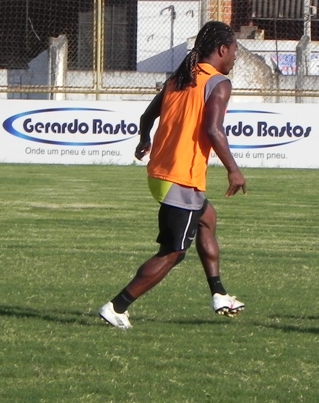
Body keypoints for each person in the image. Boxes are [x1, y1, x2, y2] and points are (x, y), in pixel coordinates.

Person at [99, 21, 247, 329]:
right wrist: (234, 170)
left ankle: (219, 293)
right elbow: (213, 129)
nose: (235, 57)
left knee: (208, 218)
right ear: (222, 50)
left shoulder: (180, 78)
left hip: (160, 174)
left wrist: (144, 139)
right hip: (181, 177)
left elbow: (146, 116)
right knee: (174, 252)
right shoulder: (218, 82)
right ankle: (117, 306)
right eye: (234, 51)